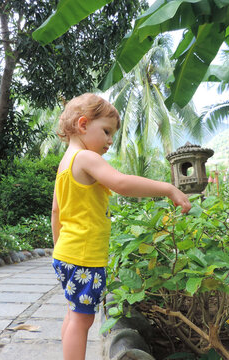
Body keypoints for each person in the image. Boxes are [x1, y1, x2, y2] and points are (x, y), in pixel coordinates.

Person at [51, 93, 191, 360]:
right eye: (106, 131)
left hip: (68, 254)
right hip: (83, 257)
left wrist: (59, 248)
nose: (110, 141)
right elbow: (121, 183)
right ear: (82, 125)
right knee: (82, 322)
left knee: (74, 316)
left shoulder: (65, 164)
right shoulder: (84, 158)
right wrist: (167, 188)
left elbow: (56, 211)